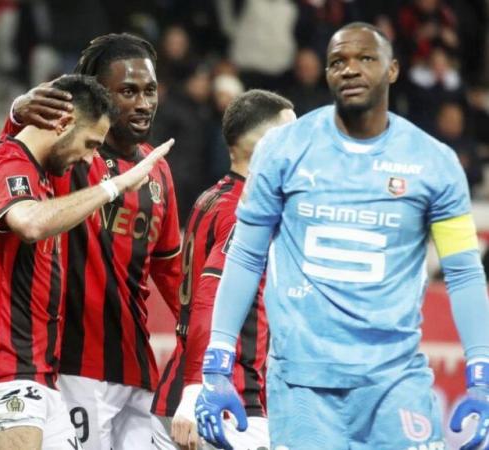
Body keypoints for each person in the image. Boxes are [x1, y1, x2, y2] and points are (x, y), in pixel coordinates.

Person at [195, 22, 489, 450]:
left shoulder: (435, 164)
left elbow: (463, 273)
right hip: (302, 386)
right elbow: (244, 257)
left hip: (395, 382)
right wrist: (217, 363)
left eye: (365, 59)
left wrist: (481, 373)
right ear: (328, 73)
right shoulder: (282, 150)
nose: (350, 69)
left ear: (392, 69)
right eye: (338, 62)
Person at [0, 74, 174, 450]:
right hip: (0, 375)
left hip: (39, 378)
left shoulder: (43, 177)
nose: (89, 158)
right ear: (62, 123)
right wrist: (113, 187)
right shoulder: (8, 161)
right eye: (89, 144)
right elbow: (31, 222)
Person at [4, 33, 183, 450]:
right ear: (100, 94)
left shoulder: (158, 171)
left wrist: (211, 338)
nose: (143, 103)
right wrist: (16, 115)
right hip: (71, 365)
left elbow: (173, 273)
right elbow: (10, 155)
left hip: (137, 368)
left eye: (150, 91)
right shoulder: (68, 155)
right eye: (128, 91)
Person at [151, 89, 295, 450]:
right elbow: (210, 299)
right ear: (265, 143)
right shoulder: (243, 212)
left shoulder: (211, 197)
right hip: (226, 402)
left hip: (187, 389)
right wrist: (198, 388)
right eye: (290, 135)